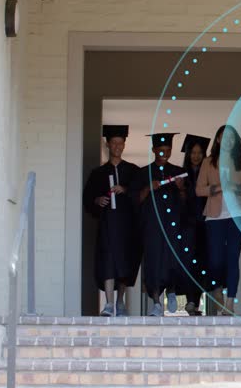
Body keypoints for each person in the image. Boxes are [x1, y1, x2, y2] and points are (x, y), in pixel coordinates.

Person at [196, 125, 241, 315]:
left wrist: (235, 187)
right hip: (214, 216)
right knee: (215, 260)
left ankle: (230, 302)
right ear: (218, 140)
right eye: (224, 137)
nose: (228, 141)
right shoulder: (208, 162)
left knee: (232, 258)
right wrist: (217, 188)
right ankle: (217, 289)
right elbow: (199, 189)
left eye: (232, 137)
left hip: (238, 215)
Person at [82, 125, 141, 317]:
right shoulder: (98, 173)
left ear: (124, 145)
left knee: (124, 261)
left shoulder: (133, 171)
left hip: (127, 225)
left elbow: (141, 195)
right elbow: (88, 199)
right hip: (107, 225)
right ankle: (108, 303)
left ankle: (120, 301)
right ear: (107, 144)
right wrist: (97, 200)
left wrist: (126, 190)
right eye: (113, 143)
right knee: (107, 260)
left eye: (120, 143)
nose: (117, 146)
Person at [133, 132, 187, 317]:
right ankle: (156, 302)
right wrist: (148, 188)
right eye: (161, 151)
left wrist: (181, 188)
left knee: (172, 258)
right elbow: (135, 200)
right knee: (153, 261)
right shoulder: (143, 173)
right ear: (154, 150)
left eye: (168, 150)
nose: (164, 154)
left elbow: (187, 201)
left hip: (173, 224)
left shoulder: (178, 172)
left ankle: (171, 291)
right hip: (152, 225)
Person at [179, 134, 211, 316]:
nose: (196, 156)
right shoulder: (181, 175)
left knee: (203, 263)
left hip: (205, 224)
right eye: (193, 152)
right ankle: (190, 299)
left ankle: (196, 301)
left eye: (199, 152)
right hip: (187, 224)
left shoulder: (209, 173)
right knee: (188, 262)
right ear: (188, 154)